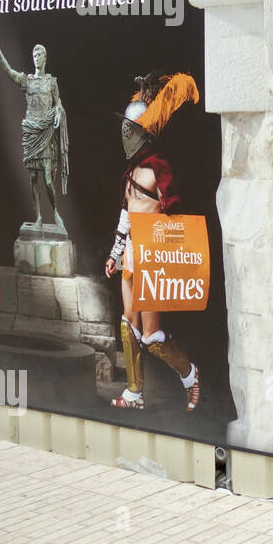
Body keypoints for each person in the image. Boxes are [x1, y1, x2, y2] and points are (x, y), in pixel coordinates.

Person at [104, 72, 201, 412]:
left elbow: (173, 214)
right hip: (132, 253)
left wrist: (166, 242)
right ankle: (134, 393)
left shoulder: (159, 169)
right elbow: (126, 215)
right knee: (127, 326)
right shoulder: (130, 173)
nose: (124, 135)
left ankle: (190, 374)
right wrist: (115, 254)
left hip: (153, 255)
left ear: (142, 134)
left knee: (151, 337)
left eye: (129, 130)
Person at [0, 34, 69, 229]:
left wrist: (58, 112)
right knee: (33, 178)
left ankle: (55, 212)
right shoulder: (27, 81)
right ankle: (39, 216)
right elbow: (8, 72)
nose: (37, 58)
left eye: (40, 55)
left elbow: (58, 102)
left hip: (46, 131)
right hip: (31, 131)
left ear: (45, 58)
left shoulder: (51, 82)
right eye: (34, 55)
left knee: (48, 180)